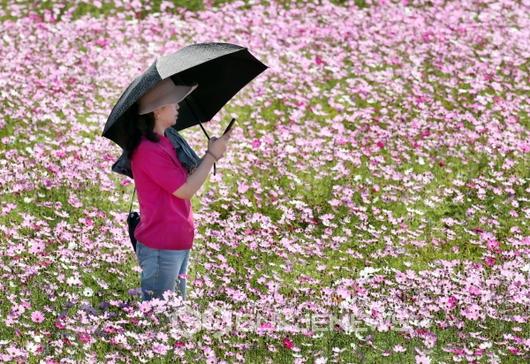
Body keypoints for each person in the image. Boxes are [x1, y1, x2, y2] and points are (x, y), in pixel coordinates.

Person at [127, 79, 233, 302]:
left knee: (172, 312)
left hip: (177, 240)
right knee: (159, 316)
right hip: (161, 245)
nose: (179, 107)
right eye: (174, 103)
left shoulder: (167, 141)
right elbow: (184, 190)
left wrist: (210, 153)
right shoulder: (148, 150)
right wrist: (211, 156)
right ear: (157, 111)